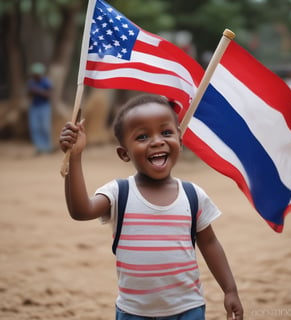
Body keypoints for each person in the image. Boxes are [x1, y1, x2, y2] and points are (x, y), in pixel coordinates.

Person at [59, 94, 243, 320]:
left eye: (166, 132)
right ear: (124, 153)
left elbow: (209, 242)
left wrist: (230, 289)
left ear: (180, 141)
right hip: (134, 312)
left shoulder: (193, 195)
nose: (157, 141)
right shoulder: (119, 192)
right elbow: (81, 211)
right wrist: (75, 157)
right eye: (143, 136)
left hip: (188, 309)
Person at [27, 62, 53, 154]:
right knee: (34, 127)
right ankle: (39, 147)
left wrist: (37, 91)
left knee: (45, 127)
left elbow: (49, 95)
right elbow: (28, 95)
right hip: (34, 106)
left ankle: (48, 147)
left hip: (44, 106)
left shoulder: (46, 82)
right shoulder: (31, 83)